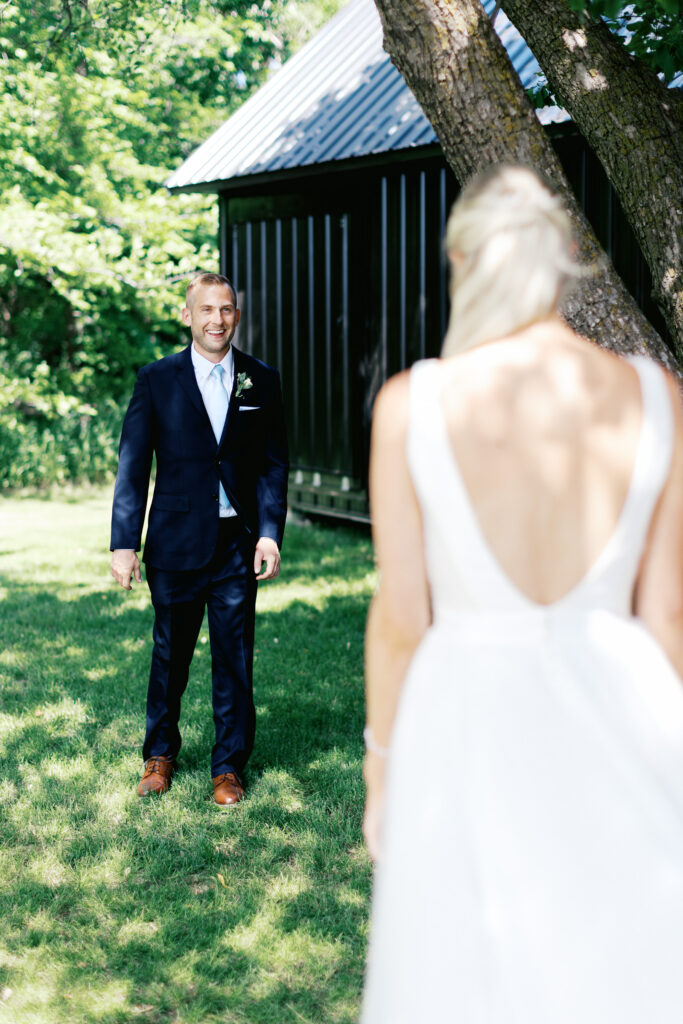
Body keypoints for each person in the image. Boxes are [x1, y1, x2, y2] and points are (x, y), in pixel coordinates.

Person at [360, 166, 683, 1022]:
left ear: (462, 260)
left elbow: (399, 621)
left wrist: (379, 770)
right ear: (565, 258)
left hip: (464, 709)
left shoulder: (412, 403)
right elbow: (670, 615)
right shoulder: (655, 395)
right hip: (623, 703)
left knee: (465, 977)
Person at [110, 272, 288, 806]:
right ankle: (160, 754)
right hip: (174, 543)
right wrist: (125, 543)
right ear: (187, 315)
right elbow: (133, 465)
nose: (218, 320)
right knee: (171, 655)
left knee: (235, 657)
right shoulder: (156, 380)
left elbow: (273, 464)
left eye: (227, 309)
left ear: (236, 315)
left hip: (237, 543)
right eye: (206, 310)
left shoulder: (262, 379)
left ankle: (229, 766)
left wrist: (270, 534)